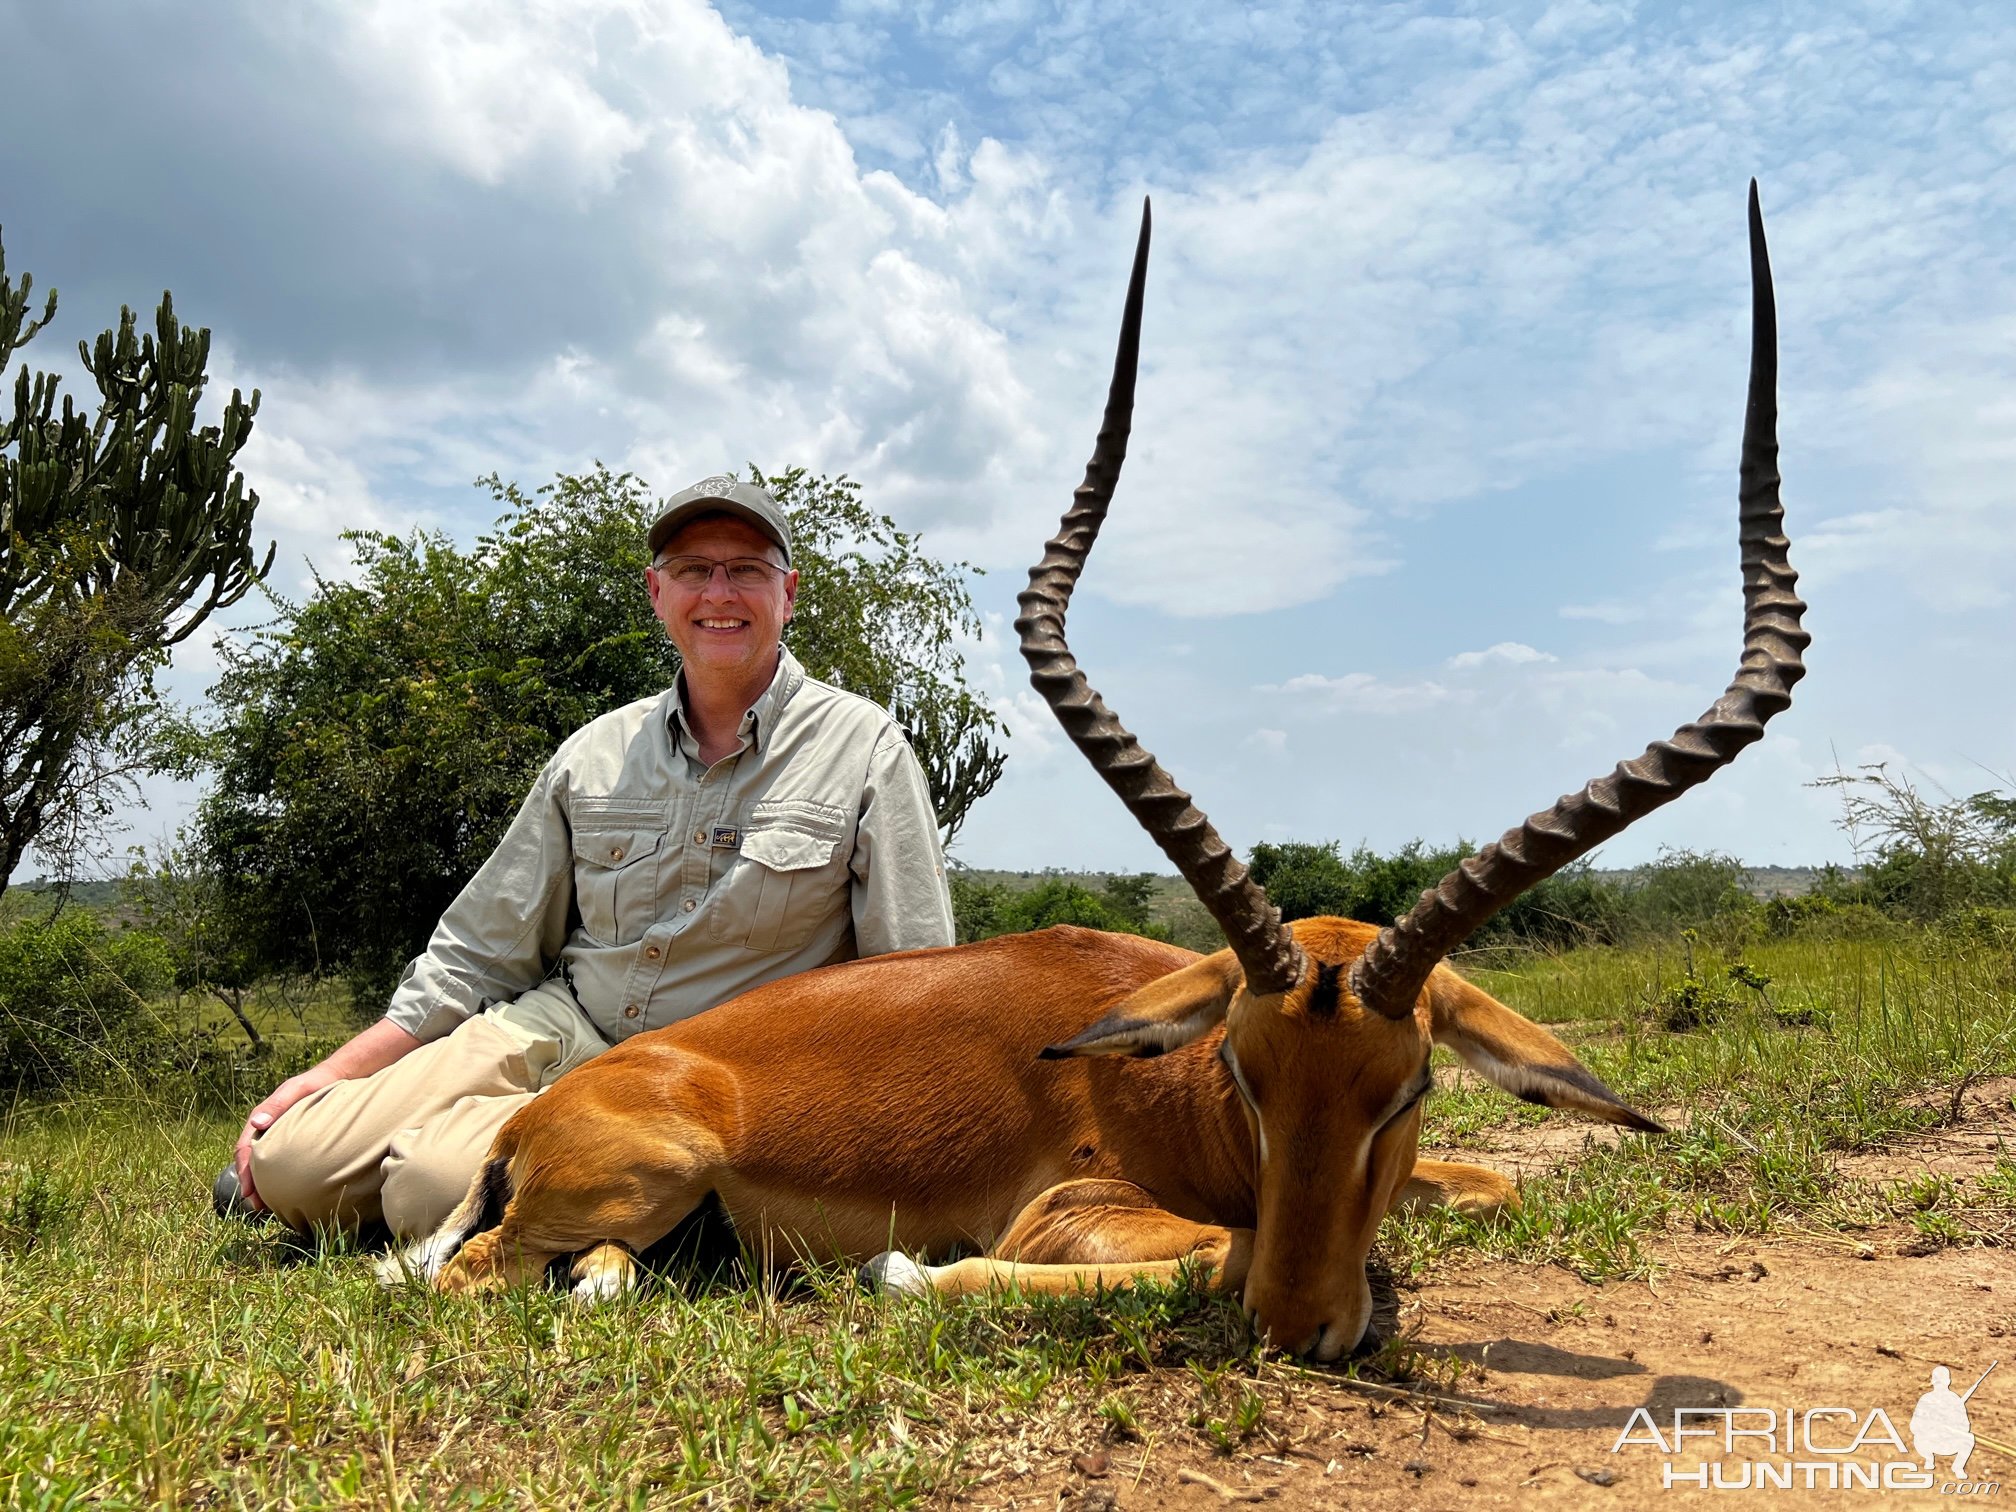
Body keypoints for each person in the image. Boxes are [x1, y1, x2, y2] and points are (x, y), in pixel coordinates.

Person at [215, 475, 956, 1237]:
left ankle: (514, 1185)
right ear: (655, 593)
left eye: (747, 569)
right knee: (290, 1161)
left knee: (429, 1185)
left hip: (705, 1080)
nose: (719, 591)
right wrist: (329, 1075)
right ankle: (515, 1172)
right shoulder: (595, 752)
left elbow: (916, 987)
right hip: (560, 1027)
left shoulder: (865, 749)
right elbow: (477, 952)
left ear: (789, 593)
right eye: (693, 569)